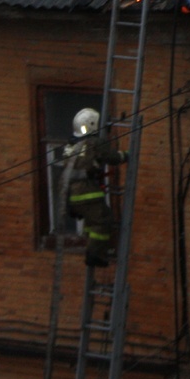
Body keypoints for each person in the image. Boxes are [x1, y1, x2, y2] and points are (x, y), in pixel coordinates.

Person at [64, 108, 129, 268]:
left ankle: (91, 247)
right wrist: (126, 155)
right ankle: (94, 255)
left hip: (69, 194)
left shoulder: (70, 146)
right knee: (104, 219)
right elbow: (111, 157)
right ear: (92, 125)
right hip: (86, 192)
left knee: (92, 221)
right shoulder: (94, 143)